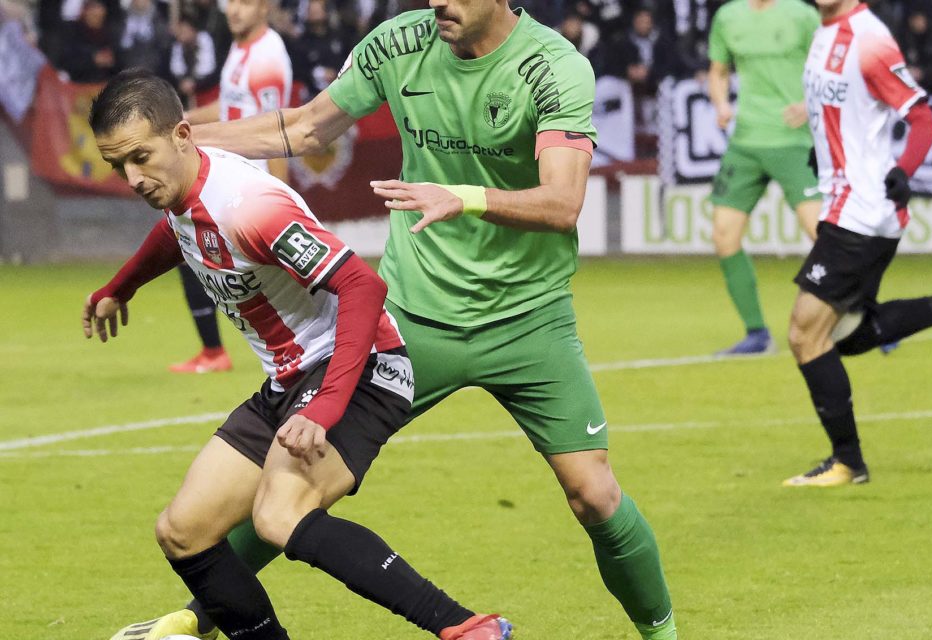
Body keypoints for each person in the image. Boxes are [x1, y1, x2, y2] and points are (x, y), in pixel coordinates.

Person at [113, 1, 677, 639]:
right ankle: (201, 617)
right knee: (299, 482)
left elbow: (564, 201)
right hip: (413, 317)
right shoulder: (400, 41)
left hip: (529, 319)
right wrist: (174, 145)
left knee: (595, 496)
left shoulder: (555, 66)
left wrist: (460, 197)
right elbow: (305, 128)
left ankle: (662, 634)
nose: (438, 2)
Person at [90, 70, 512, 640]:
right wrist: (123, 284)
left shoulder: (250, 206)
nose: (134, 178)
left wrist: (324, 407)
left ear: (184, 134)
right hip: (288, 381)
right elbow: (179, 231)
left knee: (278, 515)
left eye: (141, 157)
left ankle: (463, 627)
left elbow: (363, 286)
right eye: (120, 166)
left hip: (362, 369)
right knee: (182, 530)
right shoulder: (184, 187)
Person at [783, 0, 932, 486]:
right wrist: (822, 152)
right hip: (845, 205)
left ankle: (847, 462)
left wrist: (905, 170)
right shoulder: (823, 32)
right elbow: (841, 112)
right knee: (848, 335)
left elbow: (922, 118)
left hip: (862, 212)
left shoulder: (869, 39)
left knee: (805, 334)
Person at [169, 0, 293, 374]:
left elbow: (278, 130)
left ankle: (299, 357)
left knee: (262, 279)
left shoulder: (268, 55)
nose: (234, 10)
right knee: (189, 252)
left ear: (266, 7)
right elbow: (231, 104)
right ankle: (214, 351)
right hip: (228, 179)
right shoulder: (241, 48)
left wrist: (281, 203)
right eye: (231, 2)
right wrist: (182, 121)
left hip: (249, 189)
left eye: (246, 2)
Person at [707, 0, 822, 355]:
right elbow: (718, 70)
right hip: (746, 142)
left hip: (793, 140)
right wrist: (721, 104)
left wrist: (810, 103)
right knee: (724, 235)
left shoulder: (803, 15)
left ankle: (866, 314)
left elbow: (833, 68)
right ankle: (757, 333)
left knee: (825, 236)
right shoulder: (728, 16)